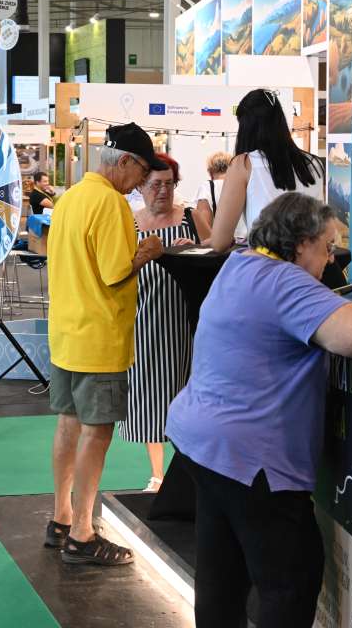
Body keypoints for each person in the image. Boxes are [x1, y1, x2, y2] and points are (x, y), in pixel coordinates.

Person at [167, 193, 352, 626]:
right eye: (327, 248)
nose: (329, 260)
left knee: (222, 574)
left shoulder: (240, 264)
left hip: (203, 443)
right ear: (301, 243)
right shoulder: (285, 281)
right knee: (290, 580)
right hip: (252, 458)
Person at [45, 122, 166, 567]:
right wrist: (147, 252)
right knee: (96, 434)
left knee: (68, 425)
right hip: (99, 339)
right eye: (143, 172)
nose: (143, 183)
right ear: (126, 161)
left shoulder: (70, 198)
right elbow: (116, 271)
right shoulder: (112, 203)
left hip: (66, 335)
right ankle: (82, 534)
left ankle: (61, 518)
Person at [119, 153, 199, 492]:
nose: (163, 191)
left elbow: (217, 255)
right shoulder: (130, 223)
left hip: (187, 323)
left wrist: (196, 249)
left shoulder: (192, 218)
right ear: (141, 186)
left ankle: (188, 473)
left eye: (169, 184)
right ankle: (158, 474)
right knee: (151, 396)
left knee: (188, 395)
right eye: (156, 184)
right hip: (145, 321)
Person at [208, 89, 325, 252]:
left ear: (245, 127)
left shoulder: (244, 164)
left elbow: (219, 242)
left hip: (267, 264)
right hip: (311, 263)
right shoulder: (314, 164)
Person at [191, 151, 232, 241]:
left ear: (210, 171)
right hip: (247, 243)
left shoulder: (207, 188)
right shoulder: (242, 185)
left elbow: (205, 227)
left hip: (222, 244)